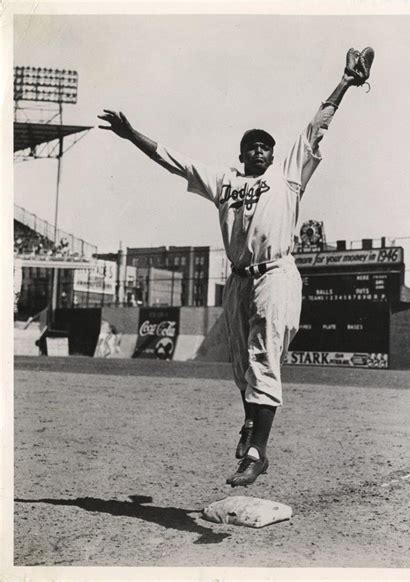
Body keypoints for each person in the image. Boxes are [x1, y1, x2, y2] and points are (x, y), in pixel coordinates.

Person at [98, 47, 374, 487]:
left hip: (276, 274)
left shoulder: (287, 175)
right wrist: (133, 135)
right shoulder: (225, 181)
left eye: (266, 146)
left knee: (263, 359)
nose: (261, 150)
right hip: (240, 282)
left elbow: (315, 126)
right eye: (253, 146)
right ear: (242, 154)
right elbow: (174, 160)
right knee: (241, 367)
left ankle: (256, 452)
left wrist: (345, 83)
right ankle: (251, 427)